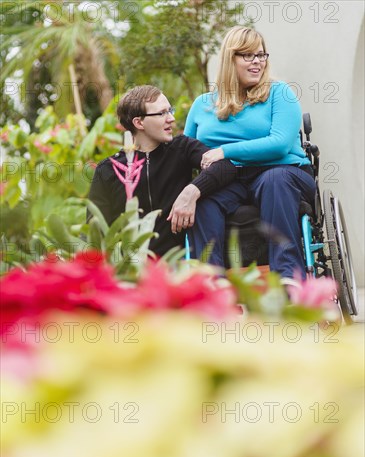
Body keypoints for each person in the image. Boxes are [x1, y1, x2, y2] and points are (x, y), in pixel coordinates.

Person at [178, 25, 316, 281]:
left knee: (274, 181)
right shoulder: (202, 104)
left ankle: (288, 279)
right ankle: (210, 284)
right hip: (227, 179)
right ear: (230, 59)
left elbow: (279, 144)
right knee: (203, 200)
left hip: (283, 173)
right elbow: (186, 153)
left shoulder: (279, 93)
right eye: (248, 56)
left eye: (261, 55)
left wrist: (224, 151)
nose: (257, 62)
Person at [88, 85, 237, 258]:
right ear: (139, 122)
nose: (171, 119)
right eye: (162, 113)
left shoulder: (182, 148)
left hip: (176, 269)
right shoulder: (108, 169)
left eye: (170, 111)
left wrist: (192, 191)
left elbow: (225, 167)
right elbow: (95, 231)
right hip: (128, 271)